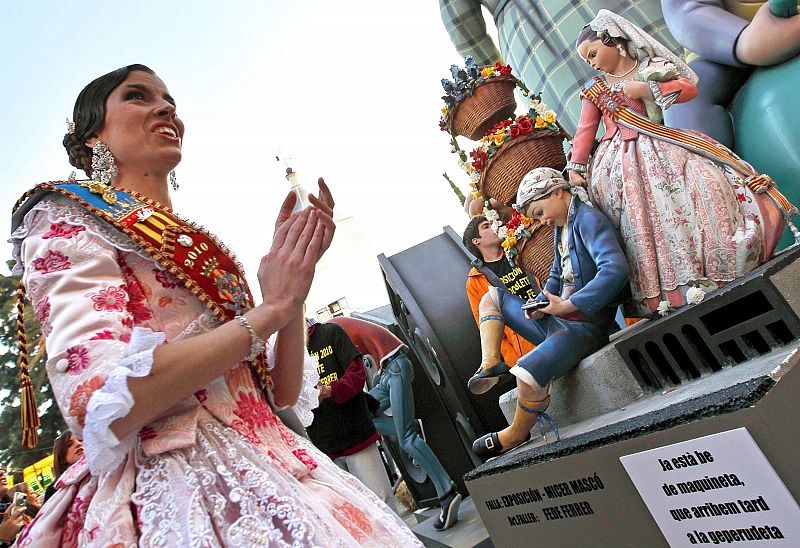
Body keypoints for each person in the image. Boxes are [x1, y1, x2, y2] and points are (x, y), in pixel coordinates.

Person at [10, 64, 421, 546]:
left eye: (170, 101)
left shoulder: (194, 240)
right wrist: (270, 311)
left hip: (278, 462)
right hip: (179, 481)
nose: (166, 108)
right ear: (93, 134)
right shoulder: (67, 218)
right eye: (138, 96)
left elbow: (280, 393)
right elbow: (95, 398)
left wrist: (290, 295)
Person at [569, 10, 790, 318]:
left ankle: (712, 269)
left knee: (697, 198)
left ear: (613, 41)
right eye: (587, 59)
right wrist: (577, 168)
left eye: (593, 53)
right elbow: (585, 130)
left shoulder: (650, 67)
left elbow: (688, 88)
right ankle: (665, 294)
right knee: (640, 225)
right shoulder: (595, 88)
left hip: (663, 146)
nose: (591, 62)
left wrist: (644, 89)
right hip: (615, 163)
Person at [472, 167, 629, 458]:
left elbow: (614, 269)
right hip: (556, 318)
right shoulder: (561, 228)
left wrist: (569, 305)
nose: (542, 220)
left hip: (583, 329)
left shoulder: (588, 221)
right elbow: (557, 274)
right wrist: (541, 303)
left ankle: (516, 433)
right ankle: (490, 362)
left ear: (558, 192)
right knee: (491, 298)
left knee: (527, 372)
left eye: (541, 211)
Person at [438, 0, 680, 134]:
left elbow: (466, 33)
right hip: (608, 11)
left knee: (610, 140)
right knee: (676, 70)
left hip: (531, 42)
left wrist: (501, 77)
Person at [328, 315, 463, 530]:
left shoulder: (331, 331)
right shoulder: (334, 328)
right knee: (364, 417)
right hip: (386, 373)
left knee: (407, 440)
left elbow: (353, 372)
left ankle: (447, 492)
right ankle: (407, 426)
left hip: (395, 366)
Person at [305, 318, 399, 513]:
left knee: (381, 503)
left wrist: (331, 390)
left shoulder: (330, 333)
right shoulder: (282, 353)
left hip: (356, 435)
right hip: (323, 448)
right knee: (356, 516)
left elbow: (357, 374)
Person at [461, 215, 536, 394]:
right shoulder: (475, 281)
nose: (494, 227)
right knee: (490, 301)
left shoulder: (520, 250)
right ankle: (490, 365)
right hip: (527, 345)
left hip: (550, 315)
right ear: (476, 241)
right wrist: (515, 360)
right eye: (486, 226)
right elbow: (487, 328)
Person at [43, 431, 83, 502]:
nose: (78, 444)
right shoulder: (53, 490)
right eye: (69, 445)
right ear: (61, 456)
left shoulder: (103, 471)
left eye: (81, 440)